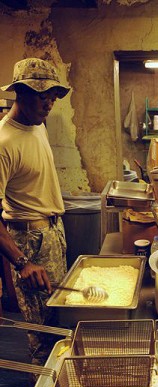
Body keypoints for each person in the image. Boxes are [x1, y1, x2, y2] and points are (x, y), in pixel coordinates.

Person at [0, 57, 70, 370]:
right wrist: (22, 262)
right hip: (29, 241)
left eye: (53, 95)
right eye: (43, 95)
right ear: (21, 92)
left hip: (52, 233)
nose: (50, 103)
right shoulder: (4, 142)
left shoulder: (37, 124)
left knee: (58, 318)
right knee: (44, 334)